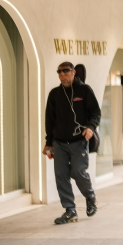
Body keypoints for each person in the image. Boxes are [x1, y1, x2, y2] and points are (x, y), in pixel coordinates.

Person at [43, 61, 101, 224]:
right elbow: (50, 120)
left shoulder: (84, 90)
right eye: (59, 72)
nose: (61, 75)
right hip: (59, 142)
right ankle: (70, 210)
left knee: (77, 172)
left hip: (79, 141)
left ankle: (90, 197)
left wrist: (90, 127)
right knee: (61, 176)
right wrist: (48, 143)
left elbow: (95, 113)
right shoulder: (54, 94)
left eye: (65, 71)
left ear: (74, 72)